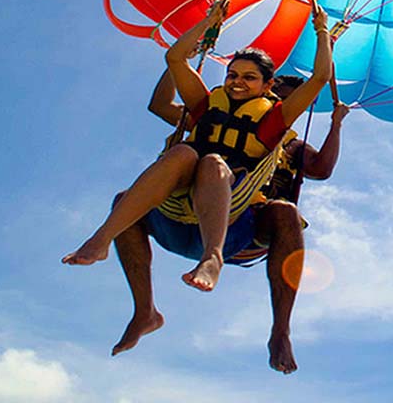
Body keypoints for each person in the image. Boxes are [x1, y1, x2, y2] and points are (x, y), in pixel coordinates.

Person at [62, 2, 333, 370]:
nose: (237, 82)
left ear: (268, 86)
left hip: (235, 225)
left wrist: (321, 31)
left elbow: (318, 79)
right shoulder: (207, 105)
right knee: (178, 160)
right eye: (233, 75)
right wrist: (209, 23)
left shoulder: (275, 121)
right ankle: (130, 287)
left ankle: (271, 321)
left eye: (249, 77)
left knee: (215, 165)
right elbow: (176, 59)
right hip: (177, 216)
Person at [143, 71, 349, 373]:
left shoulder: (287, 142)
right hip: (184, 213)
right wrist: (182, 62)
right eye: (276, 89)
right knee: (127, 199)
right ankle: (144, 311)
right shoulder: (216, 115)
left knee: (286, 213)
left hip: (242, 231)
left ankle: (281, 331)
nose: (277, 97)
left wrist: (336, 124)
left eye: (285, 95)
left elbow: (320, 168)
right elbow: (160, 106)